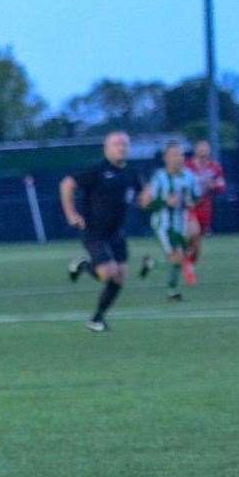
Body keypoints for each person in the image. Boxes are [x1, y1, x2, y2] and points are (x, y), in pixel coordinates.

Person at [60, 130, 153, 332]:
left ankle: (97, 319)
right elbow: (67, 184)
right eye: (116, 144)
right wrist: (71, 214)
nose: (121, 148)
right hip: (94, 231)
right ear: (106, 148)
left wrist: (146, 198)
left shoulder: (132, 174)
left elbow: (142, 197)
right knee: (108, 273)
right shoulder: (97, 170)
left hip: (116, 232)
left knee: (120, 277)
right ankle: (84, 264)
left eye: (124, 145)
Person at [145, 141, 201, 301]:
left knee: (180, 257)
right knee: (176, 257)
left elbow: (195, 198)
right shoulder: (159, 177)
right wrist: (165, 202)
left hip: (181, 222)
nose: (178, 158)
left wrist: (191, 202)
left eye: (181, 154)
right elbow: (149, 203)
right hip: (162, 224)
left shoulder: (189, 176)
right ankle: (172, 291)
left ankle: (152, 264)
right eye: (174, 155)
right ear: (166, 158)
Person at [182, 138, 225, 284]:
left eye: (206, 148)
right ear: (195, 150)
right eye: (200, 148)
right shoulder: (186, 166)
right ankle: (182, 252)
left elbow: (221, 186)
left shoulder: (214, 167)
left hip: (205, 206)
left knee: (197, 246)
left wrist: (213, 185)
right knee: (193, 232)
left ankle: (189, 265)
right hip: (189, 206)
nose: (203, 151)